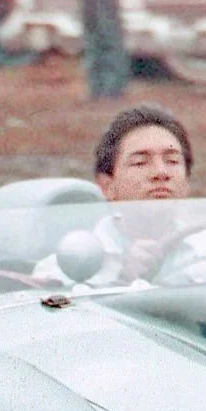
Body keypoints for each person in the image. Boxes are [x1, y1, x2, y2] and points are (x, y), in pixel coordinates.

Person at [34, 104, 194, 286]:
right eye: (140, 162)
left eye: (172, 161)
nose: (161, 172)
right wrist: (123, 279)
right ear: (107, 185)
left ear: (187, 181)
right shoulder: (61, 271)